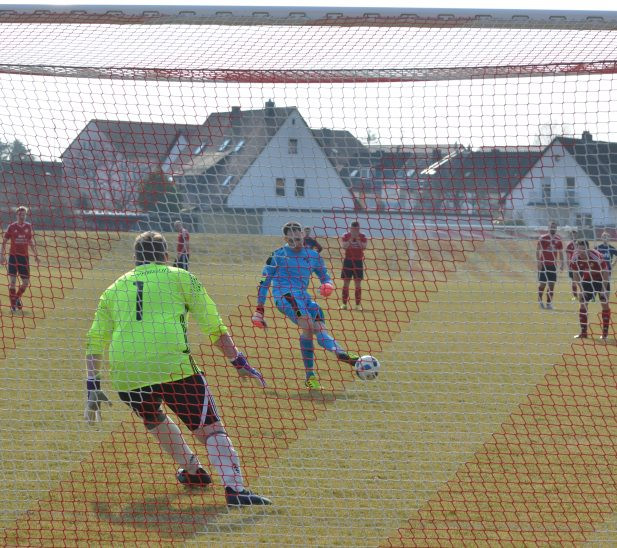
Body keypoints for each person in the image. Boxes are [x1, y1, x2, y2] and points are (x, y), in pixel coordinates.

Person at [84, 231, 270, 506]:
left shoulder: (113, 288)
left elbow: (95, 340)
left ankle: (193, 472)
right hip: (173, 367)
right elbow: (214, 326)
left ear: (136, 258)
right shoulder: (181, 276)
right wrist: (238, 361)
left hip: (127, 373)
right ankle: (236, 491)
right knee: (210, 429)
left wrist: (93, 385)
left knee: (153, 417)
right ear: (166, 255)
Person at [251, 221, 362, 391]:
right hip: (285, 296)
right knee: (309, 325)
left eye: (299, 237)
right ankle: (316, 371)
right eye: (292, 239)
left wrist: (328, 285)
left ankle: (339, 354)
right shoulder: (277, 255)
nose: (296, 241)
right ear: (286, 238)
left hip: (305, 298)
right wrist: (259, 309)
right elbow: (263, 281)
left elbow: (324, 275)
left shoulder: (313, 256)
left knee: (318, 327)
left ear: (303, 235)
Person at [0, 205, 39, 312]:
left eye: (24, 214)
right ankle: (13, 306)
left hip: (24, 258)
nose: (22, 216)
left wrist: (36, 254)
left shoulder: (28, 226)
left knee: (26, 282)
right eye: (21, 214)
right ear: (17, 215)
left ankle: (16, 298)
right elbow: (4, 241)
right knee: (12, 281)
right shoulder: (11, 227)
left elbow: (31, 241)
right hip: (13, 257)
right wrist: (1, 255)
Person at [570, 239, 611, 340]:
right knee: (582, 300)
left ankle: (604, 334)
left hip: (601, 279)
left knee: (604, 303)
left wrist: (603, 289)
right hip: (587, 279)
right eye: (579, 249)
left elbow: (605, 272)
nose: (581, 252)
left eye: (583, 250)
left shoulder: (596, 256)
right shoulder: (575, 257)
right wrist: (581, 289)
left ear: (588, 249)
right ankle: (583, 333)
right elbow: (575, 274)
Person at [340, 221, 368, 311]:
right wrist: (351, 238)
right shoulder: (346, 235)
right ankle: (344, 304)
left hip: (358, 261)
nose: (354, 230)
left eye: (356, 229)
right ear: (350, 228)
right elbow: (344, 246)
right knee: (346, 283)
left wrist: (358, 238)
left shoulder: (363, 236)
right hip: (348, 261)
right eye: (353, 229)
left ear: (359, 229)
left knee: (358, 284)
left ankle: (358, 305)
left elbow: (363, 247)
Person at [536, 221, 564, 310]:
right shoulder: (543, 238)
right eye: (551, 227)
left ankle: (549, 304)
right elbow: (537, 250)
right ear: (548, 228)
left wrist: (562, 264)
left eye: (554, 227)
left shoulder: (558, 239)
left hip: (553, 265)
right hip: (544, 264)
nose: (553, 228)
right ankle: (540, 301)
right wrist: (538, 262)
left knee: (551, 285)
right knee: (542, 284)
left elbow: (560, 253)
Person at [565, 229, 579, 301]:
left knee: (583, 281)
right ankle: (575, 296)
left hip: (581, 266)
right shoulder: (569, 245)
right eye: (573, 235)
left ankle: (584, 294)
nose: (574, 236)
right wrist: (569, 267)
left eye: (575, 234)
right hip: (573, 266)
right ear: (571, 236)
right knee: (574, 281)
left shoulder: (580, 243)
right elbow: (568, 257)